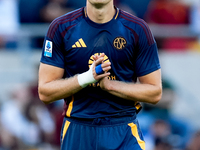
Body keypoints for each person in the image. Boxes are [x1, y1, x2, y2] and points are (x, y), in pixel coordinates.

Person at [38, 0, 162, 149]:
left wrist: (110, 86)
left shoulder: (137, 29)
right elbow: (45, 92)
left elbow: (155, 93)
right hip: (78, 130)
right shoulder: (61, 27)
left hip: (123, 129)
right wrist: (87, 78)